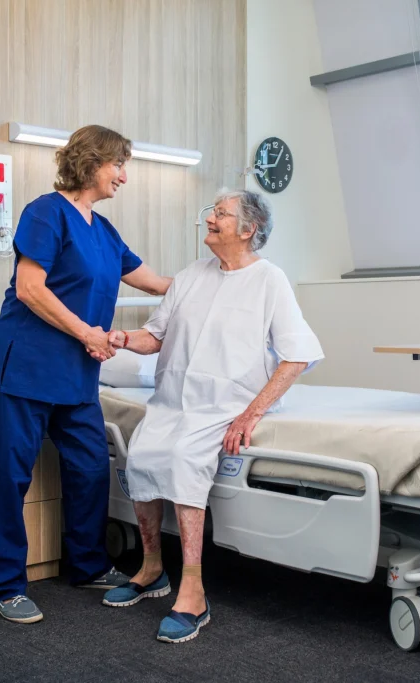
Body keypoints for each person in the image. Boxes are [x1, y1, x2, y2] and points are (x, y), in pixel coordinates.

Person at [100, 189, 324, 643]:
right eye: (211, 212)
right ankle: (152, 568)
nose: (209, 220)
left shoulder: (270, 281)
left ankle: (193, 591)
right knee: (141, 455)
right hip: (175, 398)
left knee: (184, 459)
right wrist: (123, 338)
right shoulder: (190, 276)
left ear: (248, 229)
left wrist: (251, 414)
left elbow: (297, 355)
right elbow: (155, 335)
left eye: (220, 214)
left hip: (227, 402)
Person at [0, 125, 172, 624]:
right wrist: (88, 332)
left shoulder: (104, 232)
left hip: (76, 376)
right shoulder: (46, 213)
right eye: (118, 166)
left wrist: (221, 277)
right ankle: (4, 584)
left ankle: (87, 564)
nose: (124, 177)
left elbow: (154, 282)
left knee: (89, 468)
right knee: (10, 476)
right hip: (25, 366)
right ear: (91, 163)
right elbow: (30, 288)